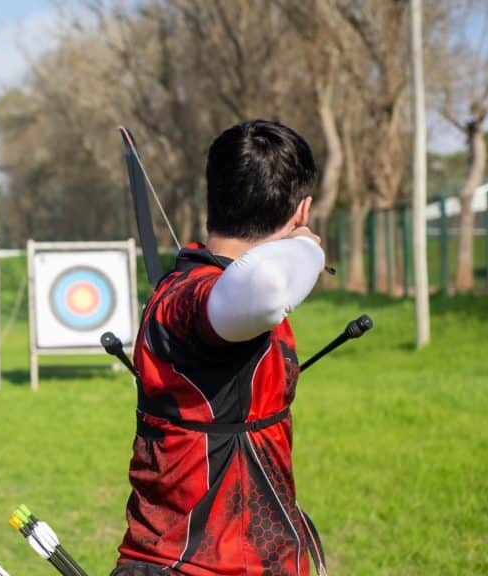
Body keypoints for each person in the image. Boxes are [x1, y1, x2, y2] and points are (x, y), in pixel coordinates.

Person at [113, 120, 328, 576]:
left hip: (264, 557)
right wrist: (308, 246)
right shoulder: (188, 300)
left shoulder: (210, 298)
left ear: (212, 197)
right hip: (188, 565)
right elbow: (267, 287)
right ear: (303, 209)